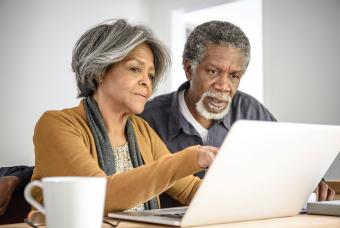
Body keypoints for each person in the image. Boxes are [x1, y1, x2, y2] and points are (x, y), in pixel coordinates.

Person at [31, 19, 218, 213]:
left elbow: (189, 189)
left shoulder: (141, 130)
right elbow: (97, 198)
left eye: (151, 75)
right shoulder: (55, 125)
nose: (147, 82)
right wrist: (191, 158)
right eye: (135, 69)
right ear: (99, 72)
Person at [140, 20, 335, 207]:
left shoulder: (250, 110)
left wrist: (312, 180)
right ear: (189, 68)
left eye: (234, 76)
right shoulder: (147, 118)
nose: (224, 86)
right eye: (213, 72)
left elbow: (291, 159)